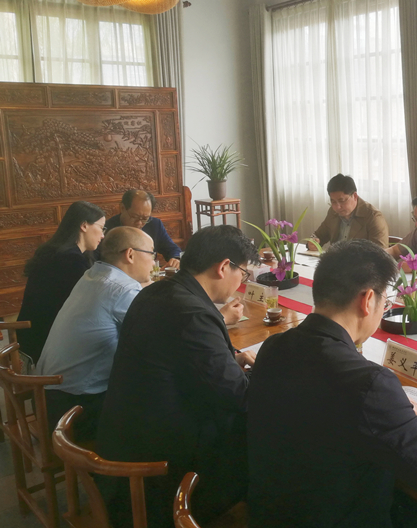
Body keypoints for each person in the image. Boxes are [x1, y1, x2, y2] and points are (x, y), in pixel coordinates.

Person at [248, 239, 417, 527]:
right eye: (385, 302)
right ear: (368, 300)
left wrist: (390, 408)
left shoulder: (273, 347)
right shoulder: (370, 384)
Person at [95, 225, 259, 528]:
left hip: (125, 436)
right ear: (224, 267)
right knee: (260, 428)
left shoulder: (157, 291)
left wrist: (228, 360)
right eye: (243, 273)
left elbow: (179, 360)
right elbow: (239, 396)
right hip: (157, 469)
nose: (241, 282)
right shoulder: (193, 313)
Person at [36, 227, 154, 440]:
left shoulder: (93, 274)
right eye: (151, 253)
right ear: (130, 254)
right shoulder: (123, 289)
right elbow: (160, 335)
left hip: (50, 397)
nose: (154, 262)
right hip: (76, 409)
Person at [17, 200, 105, 364]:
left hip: (33, 334)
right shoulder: (69, 260)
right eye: (101, 228)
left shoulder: (56, 251)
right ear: (84, 225)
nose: (102, 235)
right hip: (45, 339)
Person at [104, 189, 182, 268]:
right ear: (122, 208)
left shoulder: (154, 224)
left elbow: (172, 248)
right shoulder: (106, 229)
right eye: (134, 217)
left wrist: (175, 259)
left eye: (145, 219)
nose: (139, 223)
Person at [308, 173, 389, 248]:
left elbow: (380, 254)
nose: (338, 207)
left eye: (342, 201)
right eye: (333, 201)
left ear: (355, 196)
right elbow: (318, 235)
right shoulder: (333, 212)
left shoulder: (373, 217)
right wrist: (313, 242)